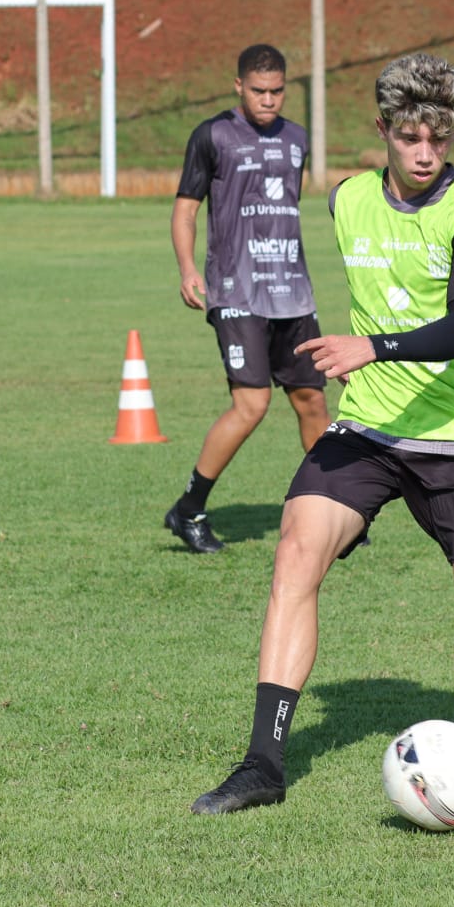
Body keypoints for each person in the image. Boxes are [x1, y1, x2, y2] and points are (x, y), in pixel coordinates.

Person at [191, 52, 454, 816]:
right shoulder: (348, 201)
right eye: (409, 137)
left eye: (438, 137)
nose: (426, 152)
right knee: (296, 555)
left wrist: (374, 346)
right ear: (384, 133)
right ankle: (264, 764)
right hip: (369, 426)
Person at [164, 44, 330, 554]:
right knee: (252, 404)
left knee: (312, 402)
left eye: (277, 91)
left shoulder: (297, 139)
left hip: (293, 292)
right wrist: (189, 268)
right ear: (238, 86)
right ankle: (189, 508)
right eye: (259, 91)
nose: (269, 100)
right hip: (236, 290)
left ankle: (332, 514)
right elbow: (187, 209)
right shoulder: (212, 135)